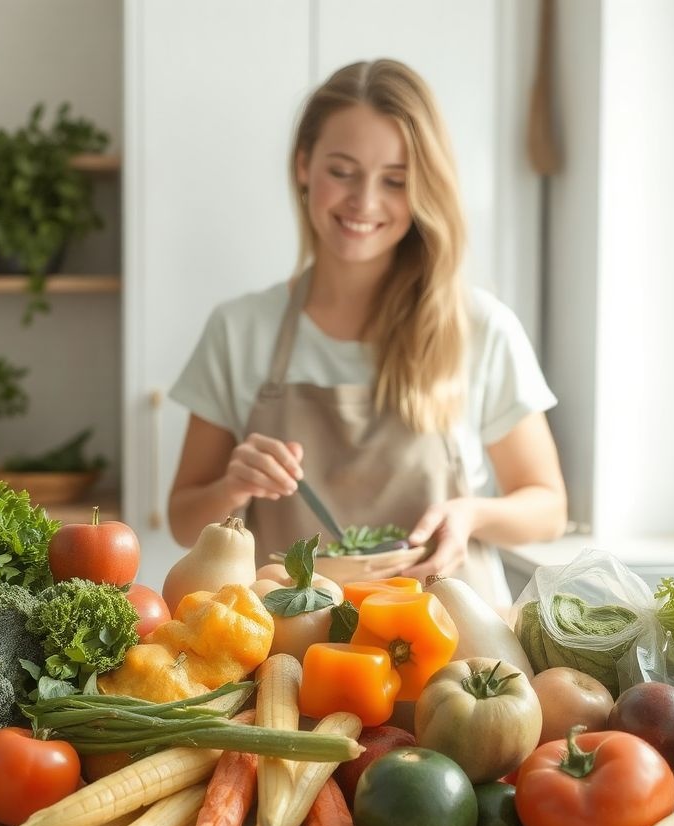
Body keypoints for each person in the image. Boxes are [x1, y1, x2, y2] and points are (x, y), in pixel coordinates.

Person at [167, 59, 567, 607]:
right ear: (304, 165)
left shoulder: (481, 328)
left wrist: (471, 514)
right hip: (292, 646)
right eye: (342, 171)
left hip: (449, 640)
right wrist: (233, 487)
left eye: (395, 181)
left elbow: (548, 507)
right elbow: (183, 521)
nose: (365, 201)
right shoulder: (239, 330)